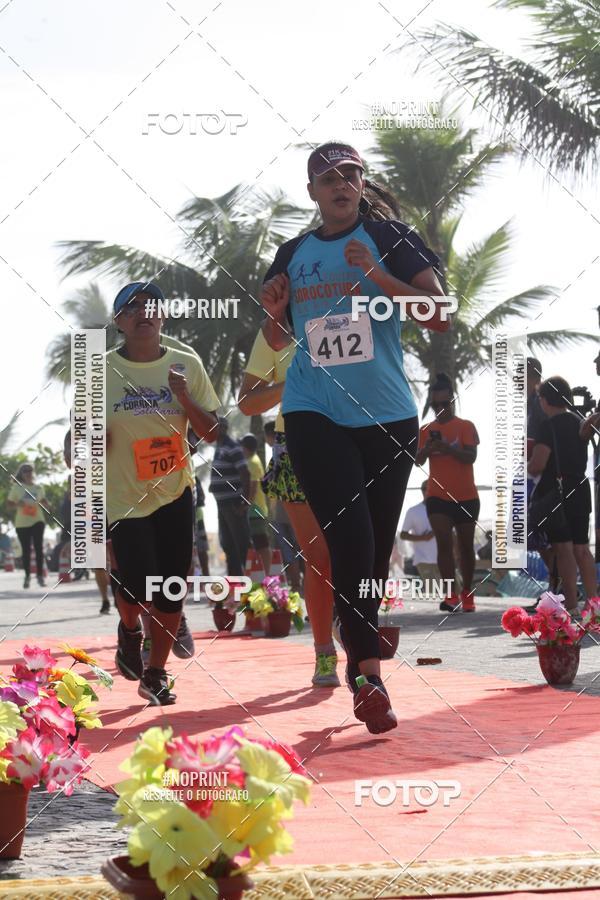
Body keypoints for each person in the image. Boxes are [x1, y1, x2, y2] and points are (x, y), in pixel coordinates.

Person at [260, 141, 448, 732]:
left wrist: (378, 277)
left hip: (387, 415)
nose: (341, 184)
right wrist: (272, 313)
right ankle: (368, 673)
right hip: (312, 408)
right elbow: (274, 339)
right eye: (328, 177)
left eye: (351, 175)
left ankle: (360, 656)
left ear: (362, 184)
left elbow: (439, 313)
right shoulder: (291, 253)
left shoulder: (393, 239)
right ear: (312, 191)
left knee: (369, 550)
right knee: (349, 538)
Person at [107, 281, 219, 705]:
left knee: (171, 586)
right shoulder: (98, 370)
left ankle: (155, 673)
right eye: (131, 307)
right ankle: (130, 628)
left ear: (163, 316)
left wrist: (184, 397)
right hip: (123, 497)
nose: (143, 312)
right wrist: (83, 446)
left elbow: (211, 431)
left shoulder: (186, 363)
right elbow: (76, 439)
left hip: (175, 491)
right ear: (119, 322)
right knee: (136, 583)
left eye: (151, 305)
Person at [239, 330, 338, 688]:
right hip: (293, 442)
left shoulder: (351, 311)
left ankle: (346, 622)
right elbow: (247, 402)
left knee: (353, 552)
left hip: (353, 438)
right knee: (319, 557)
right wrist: (295, 378)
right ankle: (324, 651)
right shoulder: (273, 331)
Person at [528, 376, 597, 612]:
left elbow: (538, 464)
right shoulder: (579, 420)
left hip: (557, 492)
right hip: (580, 487)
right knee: (582, 548)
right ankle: (593, 604)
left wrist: (525, 461)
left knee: (564, 549)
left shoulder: (547, 426)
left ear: (545, 400)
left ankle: (571, 604)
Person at [415, 374, 480, 613]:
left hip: (466, 496)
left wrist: (448, 449)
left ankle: (468, 593)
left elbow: (471, 456)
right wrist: (428, 449)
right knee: (443, 543)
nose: (440, 409)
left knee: (465, 547)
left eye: (445, 403)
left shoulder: (465, 426)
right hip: (437, 496)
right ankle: (450, 595)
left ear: (453, 401)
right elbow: (417, 460)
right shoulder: (426, 430)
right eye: (435, 405)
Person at [208, 418, 250, 577]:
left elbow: (245, 473)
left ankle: (253, 585)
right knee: (228, 546)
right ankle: (236, 587)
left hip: (233, 504)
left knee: (241, 545)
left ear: (223, 428)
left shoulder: (232, 447)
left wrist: (244, 502)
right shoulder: (219, 448)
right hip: (222, 504)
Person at [263, 422, 301, 593]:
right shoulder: (283, 448)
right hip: (287, 506)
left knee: (290, 549)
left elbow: (269, 480)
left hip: (287, 506)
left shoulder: (279, 450)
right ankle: (297, 584)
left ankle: (297, 584)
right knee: (296, 549)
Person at [7, 464, 47, 588]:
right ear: (21, 474)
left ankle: (40, 576)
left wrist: (47, 505)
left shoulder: (39, 488)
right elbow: (9, 506)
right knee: (26, 550)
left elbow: (44, 501)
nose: (28, 473)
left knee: (39, 547)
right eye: (25, 471)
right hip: (22, 523)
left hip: (38, 520)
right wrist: (17, 504)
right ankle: (27, 576)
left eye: (30, 470)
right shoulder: (16, 488)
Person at [240, 434, 272, 577]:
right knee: (256, 545)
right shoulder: (252, 460)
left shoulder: (252, 462)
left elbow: (253, 486)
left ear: (245, 447)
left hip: (255, 509)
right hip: (255, 508)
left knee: (262, 544)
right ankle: (260, 576)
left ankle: (270, 576)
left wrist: (246, 504)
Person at [399, 481, 439, 593]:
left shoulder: (443, 510)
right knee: (433, 592)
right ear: (423, 491)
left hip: (444, 559)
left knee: (454, 590)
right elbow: (403, 534)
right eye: (428, 489)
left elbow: (452, 533)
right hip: (423, 559)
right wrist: (423, 538)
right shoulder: (413, 511)